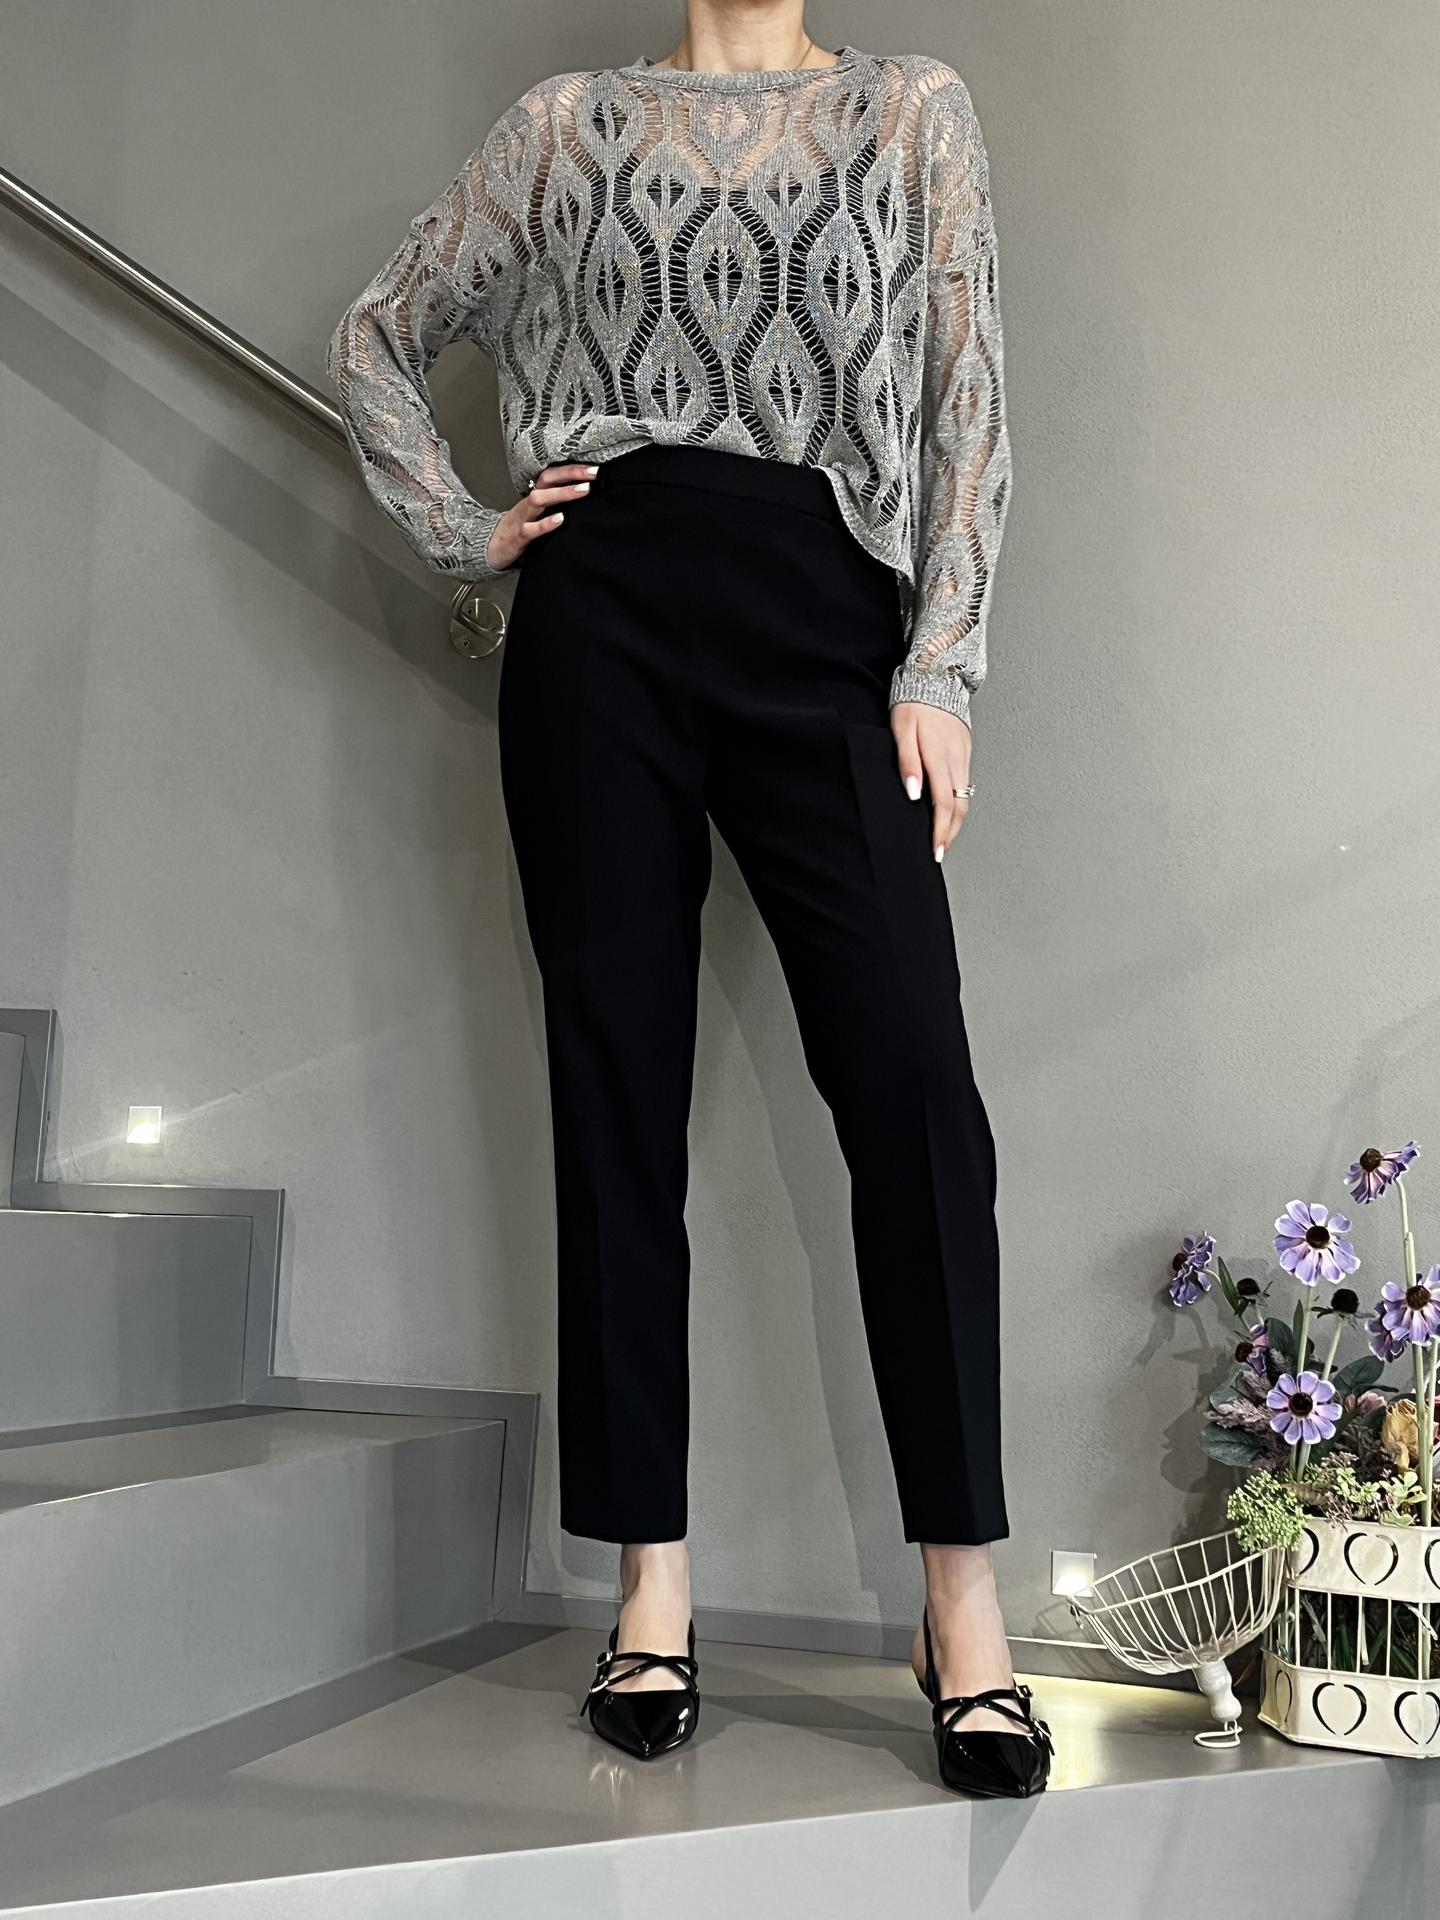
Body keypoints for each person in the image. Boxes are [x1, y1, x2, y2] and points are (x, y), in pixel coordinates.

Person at [326, 1, 1053, 1799]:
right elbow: (377, 335)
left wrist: (941, 666)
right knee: (617, 1094)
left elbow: (967, 398)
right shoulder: (565, 125)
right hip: (607, 626)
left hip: (831, 625)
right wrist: (468, 526)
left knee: (916, 1096)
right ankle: (651, 1582)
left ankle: (961, 1599)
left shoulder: (909, 112)